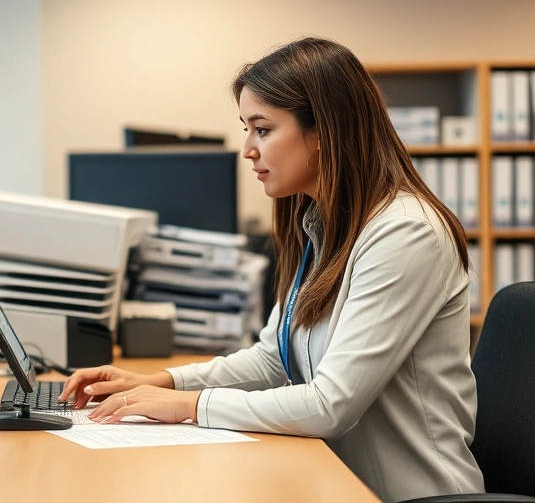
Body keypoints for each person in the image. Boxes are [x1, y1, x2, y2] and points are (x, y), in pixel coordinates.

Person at [59, 37, 484, 503]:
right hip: (334, 480)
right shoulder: (325, 227)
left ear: (324, 132)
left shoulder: (406, 234)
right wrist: (160, 382)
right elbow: (273, 358)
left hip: (408, 495)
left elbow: (329, 405)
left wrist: (187, 406)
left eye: (262, 129)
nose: (247, 150)